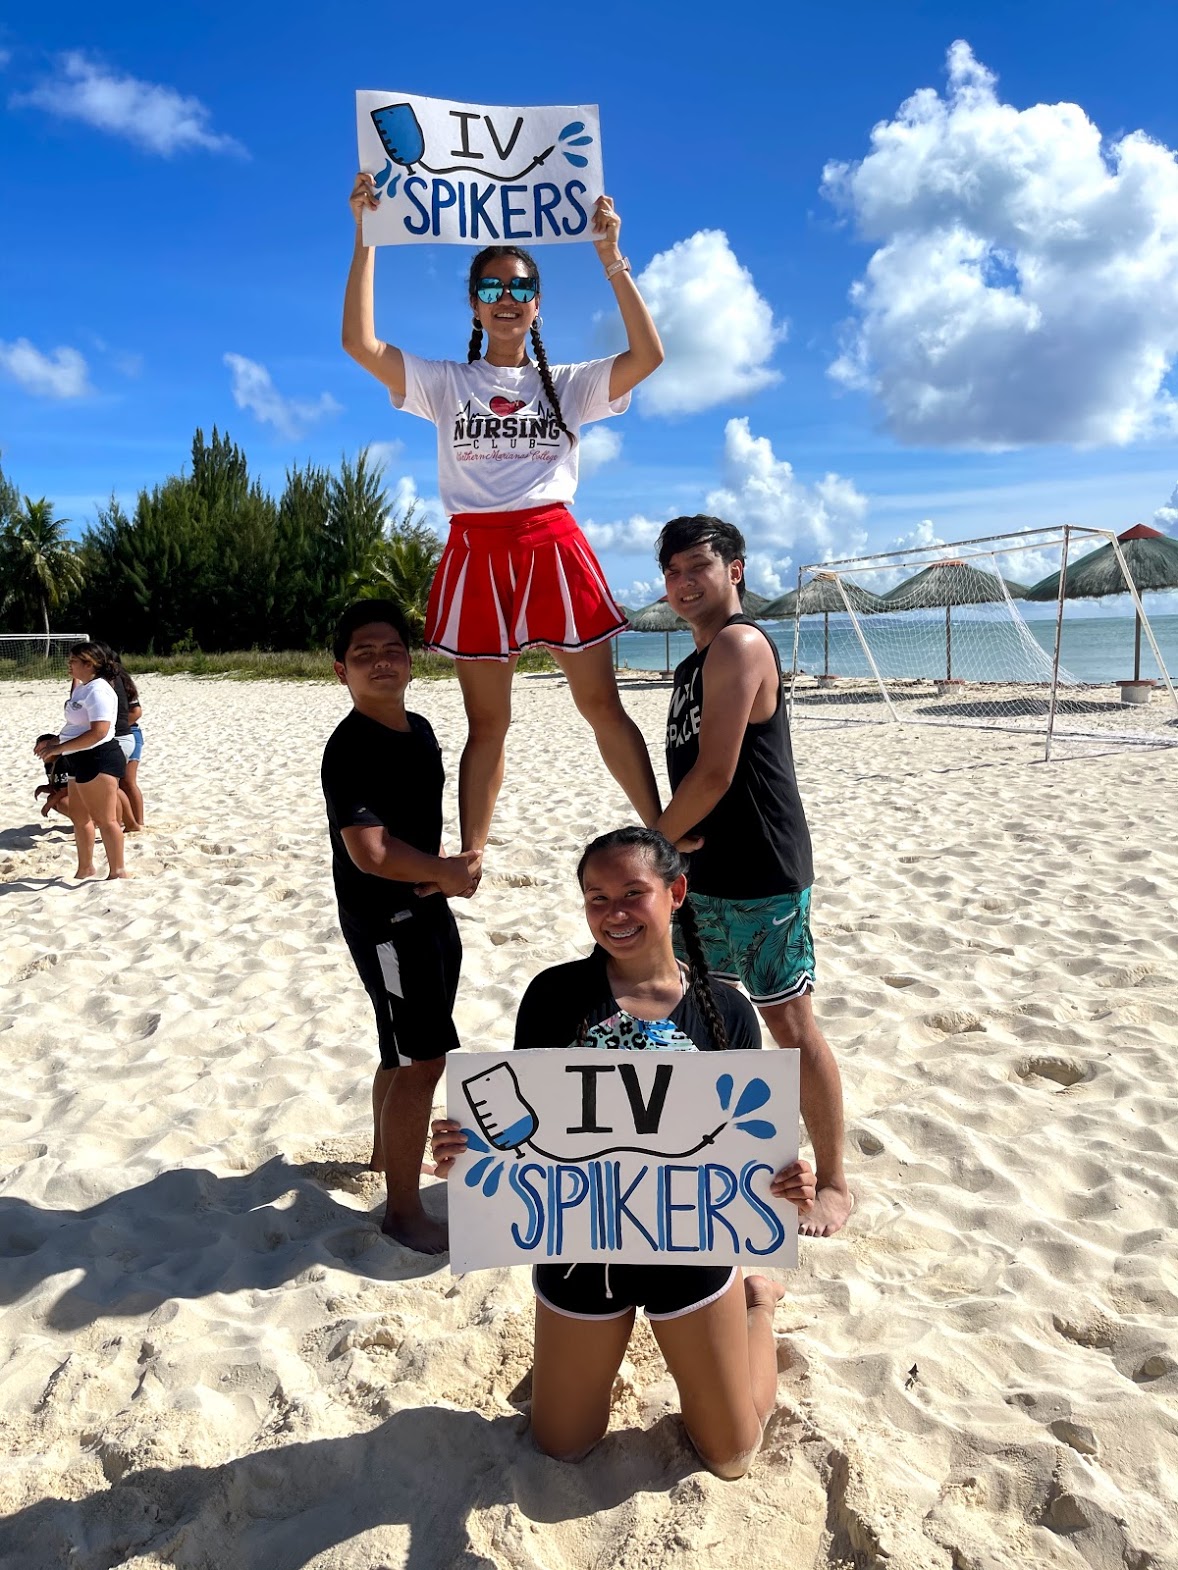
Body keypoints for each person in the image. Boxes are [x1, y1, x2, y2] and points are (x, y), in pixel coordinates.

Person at [432, 827, 815, 1478]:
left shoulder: (725, 1011)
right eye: (597, 898)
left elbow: (743, 1146)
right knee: (562, 1446)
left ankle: (758, 1304)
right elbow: (525, 1133)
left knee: (731, 1455)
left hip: (690, 1246)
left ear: (677, 892)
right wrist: (466, 1151)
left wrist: (786, 1180)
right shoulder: (553, 997)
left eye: (634, 893)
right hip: (582, 1247)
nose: (615, 912)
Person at [343, 174, 663, 868]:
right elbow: (360, 345)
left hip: (554, 546)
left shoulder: (569, 383)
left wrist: (611, 258)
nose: (507, 297)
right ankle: (471, 855)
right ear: (474, 303)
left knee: (601, 706)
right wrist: (366, 236)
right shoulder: (445, 383)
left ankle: (665, 832)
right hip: (476, 552)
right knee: (488, 723)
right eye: (491, 287)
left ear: (538, 303)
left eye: (520, 287)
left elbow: (649, 357)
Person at [654, 516, 852, 1238]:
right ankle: (720, 1158)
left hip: (763, 873)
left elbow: (714, 774)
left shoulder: (740, 644)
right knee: (696, 1018)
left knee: (790, 1024)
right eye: (672, 572)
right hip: (701, 876)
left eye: (697, 567)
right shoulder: (691, 667)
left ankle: (834, 1182)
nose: (683, 583)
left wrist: (650, 847)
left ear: (734, 570)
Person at [321, 599, 480, 1254]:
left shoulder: (419, 729)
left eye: (392, 649)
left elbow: (413, 826)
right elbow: (371, 852)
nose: (381, 662)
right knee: (424, 1061)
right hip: (385, 919)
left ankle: (387, 1156)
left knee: (401, 1049)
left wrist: (443, 874)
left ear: (410, 662)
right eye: (364, 654)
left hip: (426, 910)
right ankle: (403, 1213)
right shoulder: (349, 748)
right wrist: (447, 871)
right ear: (342, 670)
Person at [33, 643, 128, 880]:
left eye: (73, 661)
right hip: (79, 757)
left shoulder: (99, 690)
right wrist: (54, 741)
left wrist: (60, 748)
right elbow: (75, 727)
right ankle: (85, 868)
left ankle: (118, 872)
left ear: (89, 664)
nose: (69, 664)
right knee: (79, 817)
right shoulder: (83, 688)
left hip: (99, 757)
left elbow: (99, 731)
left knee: (106, 820)